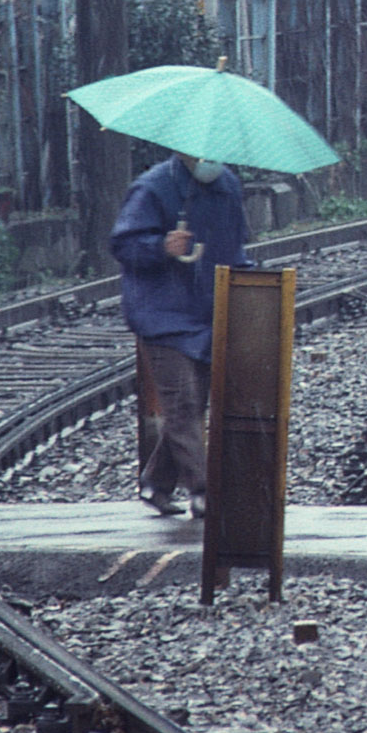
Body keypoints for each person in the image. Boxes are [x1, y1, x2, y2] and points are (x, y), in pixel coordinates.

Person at [111, 150, 252, 516]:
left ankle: (156, 484)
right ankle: (204, 490)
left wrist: (248, 279)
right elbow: (123, 245)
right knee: (183, 404)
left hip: (207, 313)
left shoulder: (228, 187)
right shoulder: (152, 188)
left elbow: (235, 246)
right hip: (161, 315)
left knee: (191, 407)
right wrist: (161, 247)